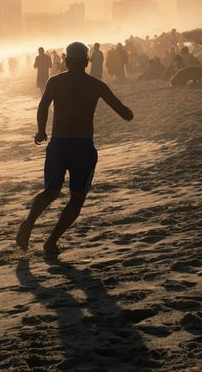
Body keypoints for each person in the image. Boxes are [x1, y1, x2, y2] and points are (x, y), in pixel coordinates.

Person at [16, 41, 133, 258]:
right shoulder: (96, 85)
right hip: (83, 146)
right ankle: (51, 242)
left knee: (51, 192)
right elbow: (125, 114)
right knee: (77, 198)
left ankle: (29, 222)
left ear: (65, 61)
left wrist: (41, 131)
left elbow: (43, 106)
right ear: (87, 62)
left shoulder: (55, 82)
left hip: (59, 144)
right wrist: (129, 111)